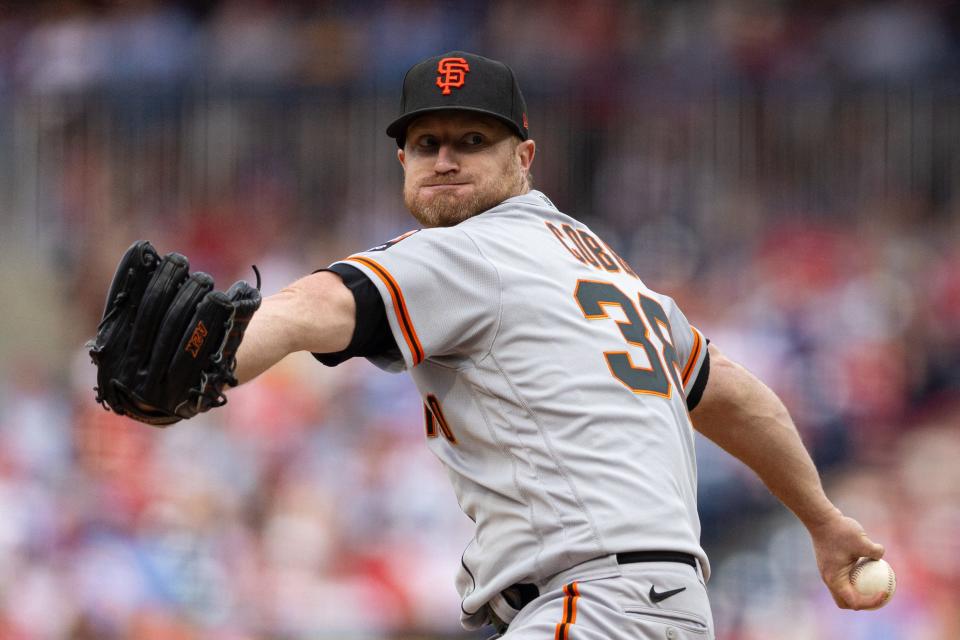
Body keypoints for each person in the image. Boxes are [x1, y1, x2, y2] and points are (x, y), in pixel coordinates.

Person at [229, 51, 886, 638]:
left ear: (524, 157)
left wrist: (212, 356)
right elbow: (737, 397)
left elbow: (311, 305)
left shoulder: (466, 249)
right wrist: (822, 521)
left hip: (595, 603)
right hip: (658, 604)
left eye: (472, 140)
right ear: (403, 160)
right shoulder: (597, 265)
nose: (446, 159)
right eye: (427, 142)